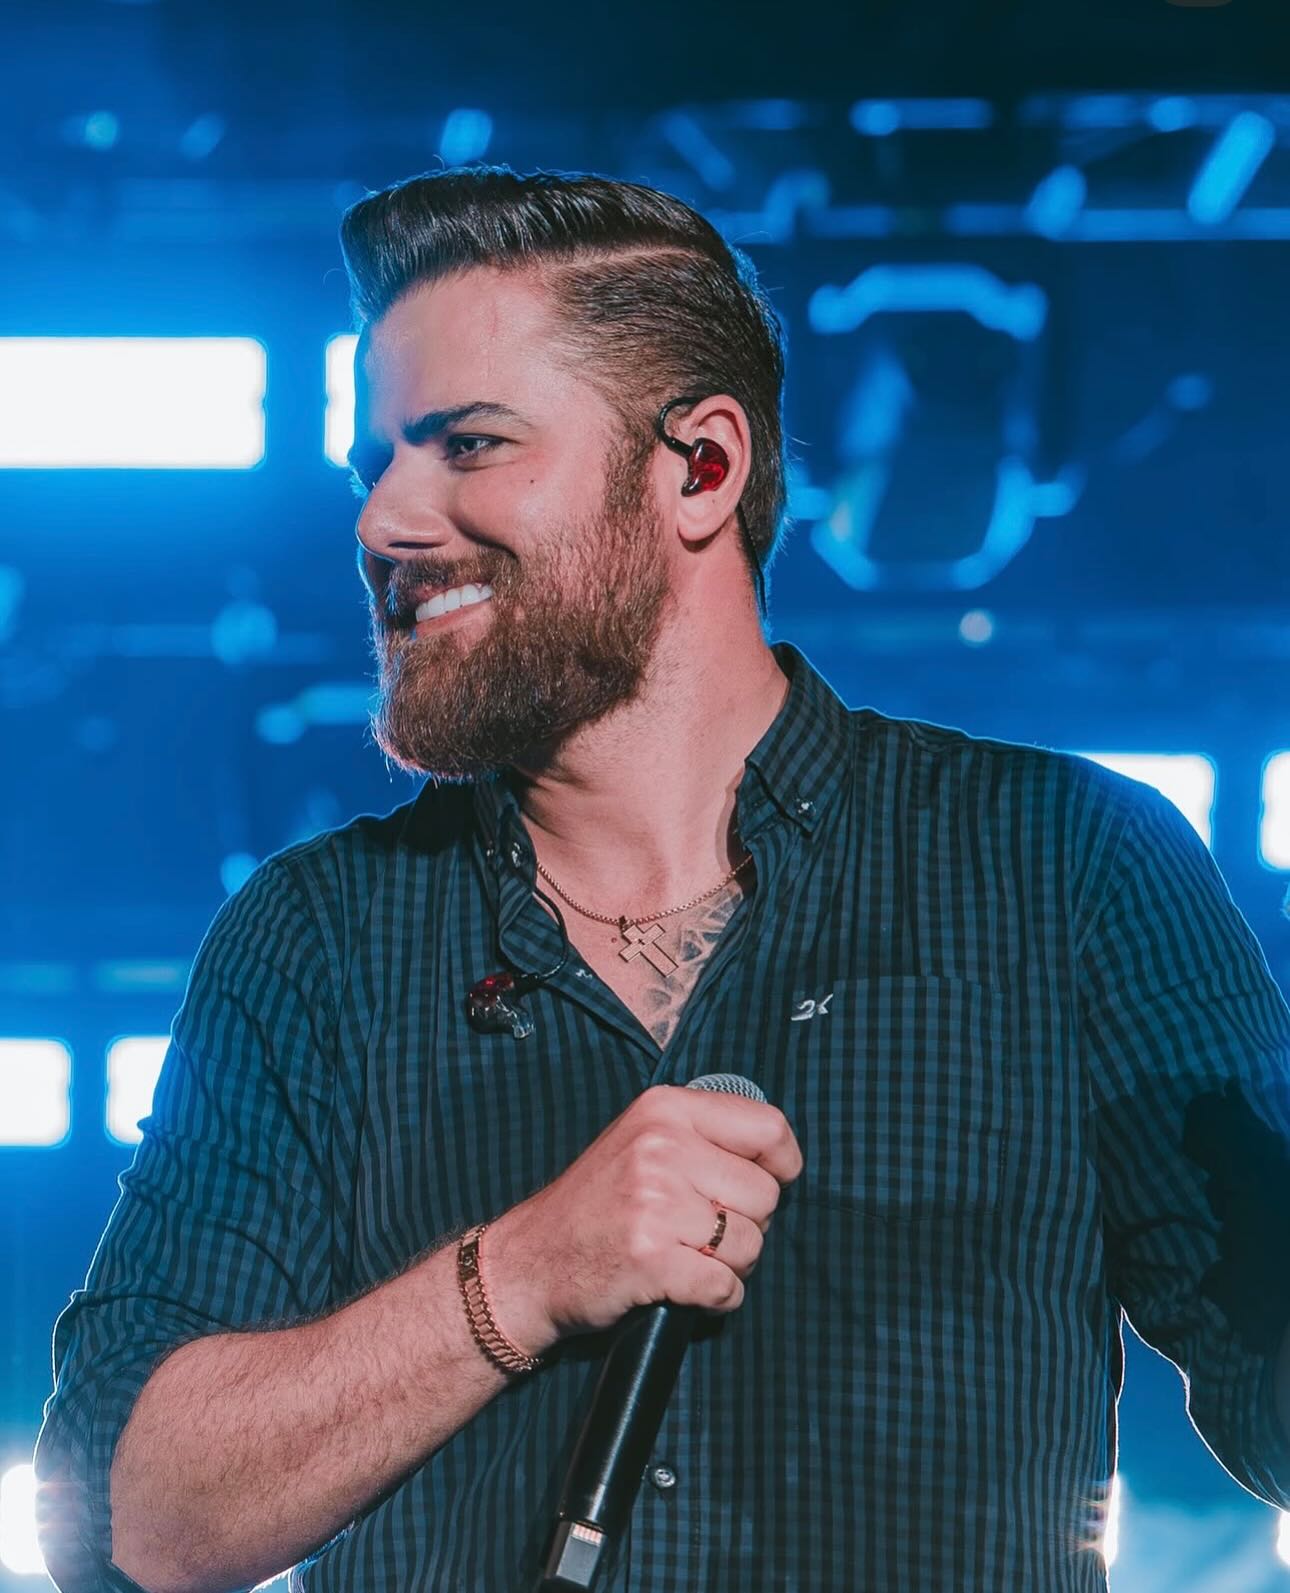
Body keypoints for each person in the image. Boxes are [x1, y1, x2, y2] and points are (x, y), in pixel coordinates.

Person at [32, 164, 1290, 1593]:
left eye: (467, 445)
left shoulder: (1066, 862)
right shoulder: (315, 936)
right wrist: (522, 1276)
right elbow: (122, 1527)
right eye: (373, 466)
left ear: (699, 468)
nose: (384, 521)